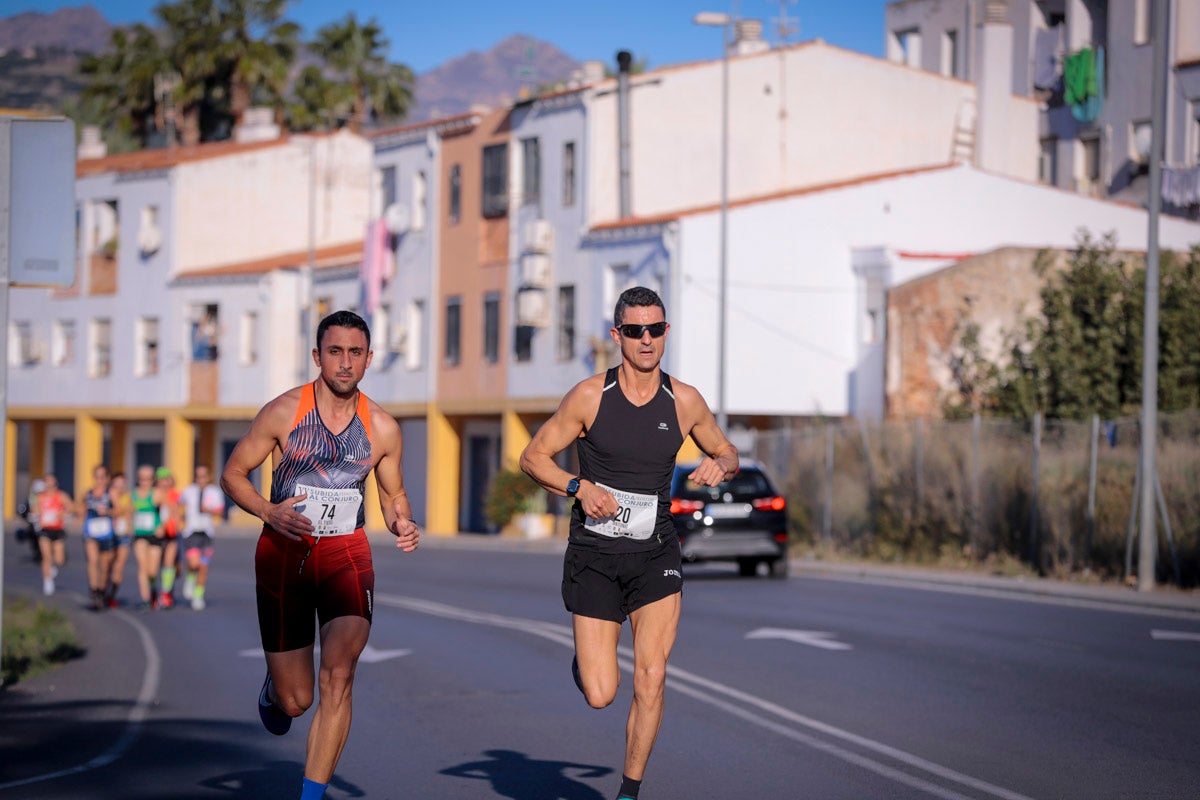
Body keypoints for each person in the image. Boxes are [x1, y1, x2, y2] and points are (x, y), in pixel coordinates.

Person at [519, 286, 738, 800]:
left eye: (655, 329)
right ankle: (585, 659)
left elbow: (727, 449)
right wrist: (578, 486)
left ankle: (628, 793)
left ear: (666, 333)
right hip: (595, 555)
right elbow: (533, 457)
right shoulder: (590, 396)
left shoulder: (683, 401)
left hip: (654, 552)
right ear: (617, 335)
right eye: (635, 330)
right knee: (600, 694)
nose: (646, 339)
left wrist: (720, 463)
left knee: (652, 676)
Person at [220, 309, 420, 800]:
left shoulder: (383, 428)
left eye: (355, 353)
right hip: (284, 553)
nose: (345, 363)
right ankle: (275, 686)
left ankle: (311, 796)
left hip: (346, 553)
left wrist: (402, 521)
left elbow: (393, 493)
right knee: (296, 701)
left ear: (369, 359)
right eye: (335, 352)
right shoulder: (284, 411)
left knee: (340, 672)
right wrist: (270, 512)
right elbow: (232, 475)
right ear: (317, 356)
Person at [178, 464, 225, 610]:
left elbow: (219, 511)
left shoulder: (215, 492)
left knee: (203, 567)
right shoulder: (188, 491)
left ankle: (198, 596)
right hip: (191, 533)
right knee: (194, 564)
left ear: (209, 477)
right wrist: (180, 520)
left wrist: (209, 510)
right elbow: (178, 505)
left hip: (206, 533)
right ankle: (190, 578)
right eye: (198, 476)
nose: (201, 479)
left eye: (204, 476)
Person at [78, 464, 117, 610]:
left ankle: (101, 589)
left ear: (107, 478)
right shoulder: (87, 493)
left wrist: (107, 511)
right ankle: (94, 590)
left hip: (106, 533)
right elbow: (80, 507)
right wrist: (80, 515)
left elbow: (119, 510)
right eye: (97, 477)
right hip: (91, 531)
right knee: (93, 561)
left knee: (105, 565)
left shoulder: (111, 493)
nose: (99, 480)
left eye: (102, 477)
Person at [130, 463, 166, 610]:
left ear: (153, 480)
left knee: (152, 571)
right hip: (140, 535)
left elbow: (169, 510)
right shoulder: (133, 494)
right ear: (138, 479)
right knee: (142, 567)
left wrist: (161, 525)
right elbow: (128, 512)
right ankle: (145, 600)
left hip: (154, 535)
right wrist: (128, 526)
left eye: (148, 479)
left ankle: (153, 590)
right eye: (142, 479)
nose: (145, 482)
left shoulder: (157, 493)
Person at [34, 475, 74, 596]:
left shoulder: (61, 496)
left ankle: (52, 568)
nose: (50, 487)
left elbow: (71, 508)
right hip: (44, 529)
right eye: (47, 485)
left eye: (52, 485)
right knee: (46, 556)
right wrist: (37, 513)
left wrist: (63, 514)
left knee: (59, 559)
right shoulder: (40, 497)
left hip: (57, 530)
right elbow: (34, 510)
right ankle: (47, 581)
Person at [155, 467, 182, 609]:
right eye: (161, 480)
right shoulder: (153, 494)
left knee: (169, 563)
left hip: (171, 533)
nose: (164, 483)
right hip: (156, 534)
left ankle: (166, 593)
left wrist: (177, 525)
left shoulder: (175, 495)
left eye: (166, 480)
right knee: (157, 565)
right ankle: (157, 592)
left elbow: (178, 512)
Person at [107, 471, 133, 608]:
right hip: (109, 534)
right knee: (107, 564)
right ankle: (103, 590)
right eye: (117, 484)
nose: (120, 487)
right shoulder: (108, 497)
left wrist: (129, 529)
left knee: (119, 568)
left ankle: (112, 595)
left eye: (122, 484)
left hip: (123, 535)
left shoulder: (128, 498)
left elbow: (129, 514)